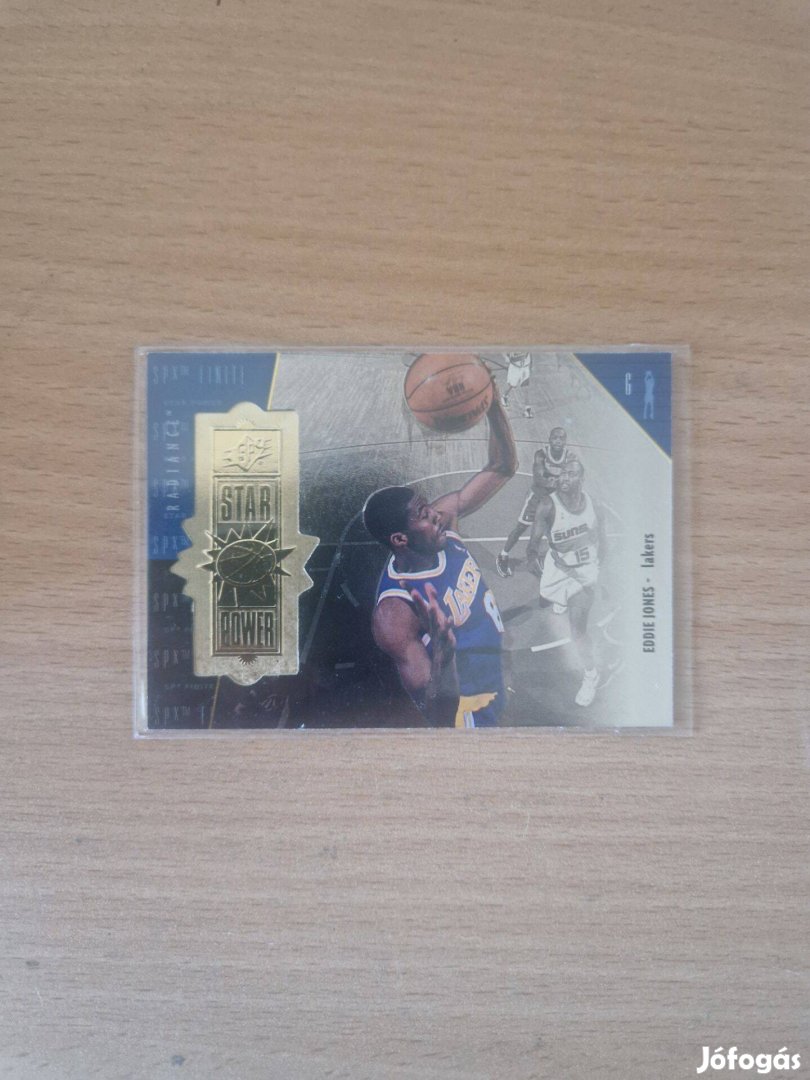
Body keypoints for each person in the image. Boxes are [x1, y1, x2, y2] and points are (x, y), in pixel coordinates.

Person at [363, 390, 517, 727]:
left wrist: (491, 405)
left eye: (427, 506)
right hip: (468, 709)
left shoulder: (442, 522)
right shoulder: (395, 615)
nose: (435, 514)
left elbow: (503, 467)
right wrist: (444, 658)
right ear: (400, 539)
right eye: (422, 514)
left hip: (495, 675)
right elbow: (437, 715)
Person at [528, 458, 606, 707]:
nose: (564, 477)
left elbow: (603, 542)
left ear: (582, 479)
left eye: (571, 474)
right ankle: (561, 596)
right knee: (547, 597)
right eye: (562, 472)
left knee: (577, 631)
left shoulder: (595, 506)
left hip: (584, 573)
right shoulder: (547, 506)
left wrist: (597, 572)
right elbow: (533, 544)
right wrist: (533, 558)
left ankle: (591, 675)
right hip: (557, 566)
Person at [495, 426, 576, 578]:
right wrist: (560, 482)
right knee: (520, 528)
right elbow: (539, 479)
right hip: (536, 499)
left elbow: (572, 480)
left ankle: (549, 558)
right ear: (549, 439)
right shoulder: (541, 455)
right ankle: (503, 555)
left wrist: (555, 481)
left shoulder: (570, 457)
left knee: (554, 531)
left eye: (561, 438)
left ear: (565, 441)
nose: (558, 441)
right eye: (555, 437)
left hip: (552, 502)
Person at [502, 351, 533, 416]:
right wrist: (505, 357)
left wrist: (531, 365)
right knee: (511, 385)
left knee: (526, 388)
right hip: (515, 367)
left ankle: (527, 408)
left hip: (525, 367)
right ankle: (504, 396)